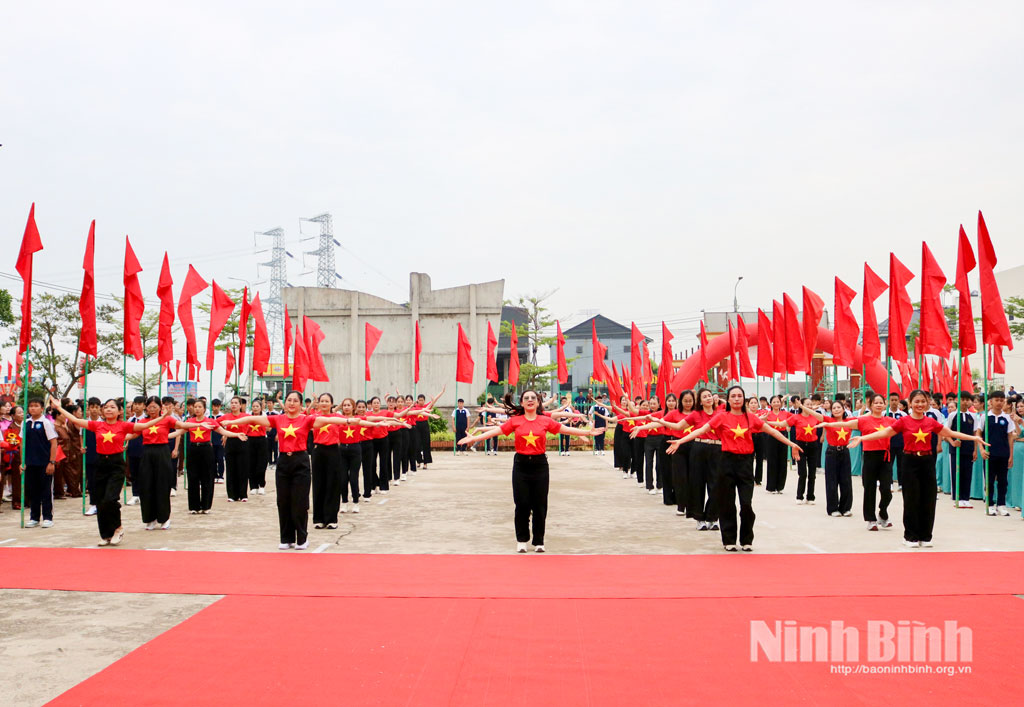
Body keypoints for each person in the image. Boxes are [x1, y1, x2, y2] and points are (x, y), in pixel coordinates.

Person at [229, 392, 382, 549]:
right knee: (283, 501)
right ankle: (286, 538)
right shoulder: (278, 419)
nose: (292, 403)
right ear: (285, 403)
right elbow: (250, 419)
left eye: (295, 401)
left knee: (300, 501)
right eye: (289, 400)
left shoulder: (307, 419)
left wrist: (349, 420)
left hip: (300, 461)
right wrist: (230, 422)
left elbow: (329, 420)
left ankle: (301, 539)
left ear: (300, 404)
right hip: (283, 462)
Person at [666, 385, 802, 551]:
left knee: (746, 504)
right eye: (733, 396)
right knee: (727, 503)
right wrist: (680, 441)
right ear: (728, 400)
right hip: (726, 462)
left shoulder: (751, 418)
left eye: (739, 396)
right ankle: (729, 540)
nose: (737, 399)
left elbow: (772, 432)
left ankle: (746, 540)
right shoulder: (722, 417)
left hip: (745, 464)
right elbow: (701, 430)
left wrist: (791, 444)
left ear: (743, 399)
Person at [459, 390, 597, 552]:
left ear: (538, 402)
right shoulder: (515, 421)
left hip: (540, 466)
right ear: (522, 403)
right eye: (526, 398)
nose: (530, 400)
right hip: (521, 465)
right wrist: (474, 438)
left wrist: (587, 432)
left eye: (533, 398)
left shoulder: (545, 420)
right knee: (522, 504)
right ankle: (522, 540)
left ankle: (539, 541)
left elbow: (565, 429)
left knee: (540, 505)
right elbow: (496, 431)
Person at [851, 389, 986, 547]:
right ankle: (910, 536)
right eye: (916, 401)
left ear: (927, 403)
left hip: (927, 461)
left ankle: (925, 536)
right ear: (910, 403)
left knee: (928, 499)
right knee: (911, 499)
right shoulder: (903, 421)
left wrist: (974, 438)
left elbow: (949, 432)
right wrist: (862, 438)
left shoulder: (930, 422)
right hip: (909, 461)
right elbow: (885, 433)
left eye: (923, 401)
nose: (920, 404)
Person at [48, 397, 167, 545]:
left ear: (119, 411)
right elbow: (75, 420)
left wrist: (163, 417)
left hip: (116, 465)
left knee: (110, 499)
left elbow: (146, 425)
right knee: (100, 501)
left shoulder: (124, 425)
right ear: (102, 411)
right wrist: (59, 408)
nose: (109, 409)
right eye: (106, 407)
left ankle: (118, 528)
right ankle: (106, 535)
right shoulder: (97, 425)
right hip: (100, 464)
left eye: (112, 407)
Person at [818, 393, 894, 530]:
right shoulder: (864, 420)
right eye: (875, 403)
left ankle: (883, 513)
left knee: (886, 491)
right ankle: (871, 519)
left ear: (885, 404)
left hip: (885, 457)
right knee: (869, 489)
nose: (878, 405)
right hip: (870, 457)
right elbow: (845, 423)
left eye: (881, 402)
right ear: (870, 405)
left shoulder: (890, 421)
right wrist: (828, 423)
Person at [21, 398, 58, 528]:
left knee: (46, 491)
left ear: (42, 408)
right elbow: (22, 443)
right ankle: (34, 517)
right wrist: (22, 462)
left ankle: (48, 517)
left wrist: (51, 462)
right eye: (31, 406)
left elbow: (53, 443)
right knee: (33, 491)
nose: (33, 408)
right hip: (30, 463)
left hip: (44, 463)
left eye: (36, 406)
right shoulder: (25, 423)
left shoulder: (46, 423)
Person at [979, 390, 1016, 516]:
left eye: (1002, 400)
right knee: (989, 481)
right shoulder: (985, 417)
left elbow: (1010, 437)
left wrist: (1011, 455)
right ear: (990, 401)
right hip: (989, 454)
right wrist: (981, 449)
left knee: (1003, 481)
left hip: (1003, 454)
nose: (999, 403)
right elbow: (978, 434)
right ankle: (989, 504)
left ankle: (1001, 504)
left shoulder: (1007, 418)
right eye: (996, 400)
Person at [946, 392, 980, 508]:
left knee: (967, 474)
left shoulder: (973, 416)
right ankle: (958, 497)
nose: (965, 402)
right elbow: (946, 432)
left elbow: (975, 433)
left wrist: (975, 450)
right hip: (956, 449)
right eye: (963, 399)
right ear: (958, 400)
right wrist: (953, 442)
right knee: (957, 473)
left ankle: (966, 498)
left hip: (968, 449)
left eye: (967, 400)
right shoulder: (953, 415)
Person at [761, 396, 790, 494]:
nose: (776, 403)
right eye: (774, 402)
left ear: (781, 403)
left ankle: (780, 487)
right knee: (772, 461)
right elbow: (760, 421)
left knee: (782, 461)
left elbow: (793, 419)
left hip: (783, 436)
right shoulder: (767, 414)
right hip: (771, 437)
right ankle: (771, 487)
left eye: (778, 402)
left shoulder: (785, 413)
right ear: (770, 404)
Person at [246, 399, 270, 495]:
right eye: (253, 406)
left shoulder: (264, 417)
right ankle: (253, 486)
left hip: (262, 440)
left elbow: (269, 428)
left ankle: (261, 485)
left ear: (261, 408)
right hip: (250, 441)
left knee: (261, 463)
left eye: (257, 406)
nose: (255, 408)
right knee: (251, 463)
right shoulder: (248, 417)